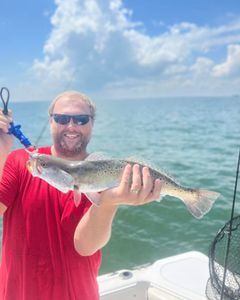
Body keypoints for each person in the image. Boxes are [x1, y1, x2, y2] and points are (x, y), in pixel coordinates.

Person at [0, 91, 162, 300]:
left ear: (91, 123)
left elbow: (85, 247)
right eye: (61, 118)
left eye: (81, 119)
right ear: (51, 121)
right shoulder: (19, 161)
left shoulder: (105, 176)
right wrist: (1, 154)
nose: (71, 126)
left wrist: (109, 202)